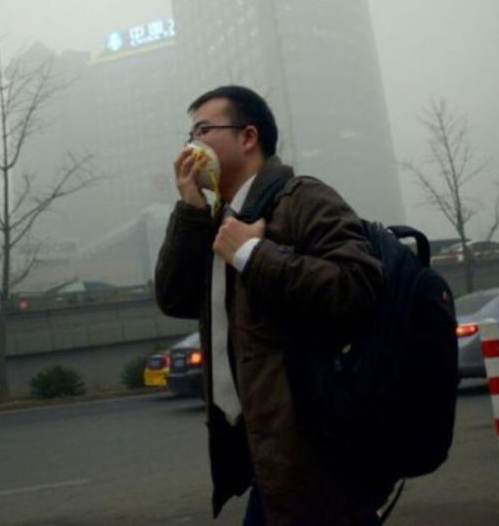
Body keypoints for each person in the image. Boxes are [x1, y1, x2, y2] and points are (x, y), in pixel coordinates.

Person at [154, 86, 391, 525]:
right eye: (189, 135)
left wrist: (252, 254)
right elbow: (174, 298)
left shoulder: (302, 199)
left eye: (204, 131)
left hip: (316, 449)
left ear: (248, 137)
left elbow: (357, 287)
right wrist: (190, 209)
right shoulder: (217, 217)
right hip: (266, 450)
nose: (192, 146)